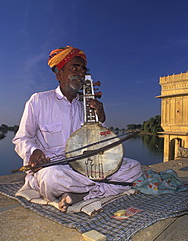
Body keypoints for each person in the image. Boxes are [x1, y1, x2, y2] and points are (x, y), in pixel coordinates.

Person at [12, 46, 142, 212]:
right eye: (74, 67)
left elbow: (103, 142)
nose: (80, 73)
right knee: (50, 178)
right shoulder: (38, 101)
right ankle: (94, 190)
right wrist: (34, 151)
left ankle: (81, 194)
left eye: (82, 69)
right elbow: (22, 138)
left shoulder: (87, 106)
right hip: (55, 167)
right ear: (59, 74)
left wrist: (100, 118)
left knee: (133, 167)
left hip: (86, 166)